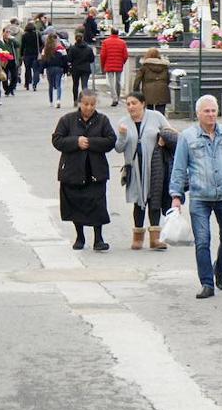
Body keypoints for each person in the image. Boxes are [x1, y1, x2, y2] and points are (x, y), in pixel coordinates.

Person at [170, 95, 222, 300]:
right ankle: (207, 283)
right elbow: (179, 167)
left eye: (213, 110)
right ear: (198, 113)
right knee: (202, 241)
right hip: (200, 196)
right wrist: (176, 195)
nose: (210, 114)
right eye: (206, 111)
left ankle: (219, 270)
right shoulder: (187, 136)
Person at [51, 89, 117, 251]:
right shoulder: (67, 120)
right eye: (86, 104)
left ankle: (98, 238)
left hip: (95, 171)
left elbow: (110, 141)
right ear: (80, 103)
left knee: (97, 204)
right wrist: (75, 142)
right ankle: (79, 237)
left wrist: (90, 142)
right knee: (76, 204)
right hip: (73, 170)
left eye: (92, 104)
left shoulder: (102, 120)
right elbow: (57, 140)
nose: (88, 108)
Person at [113, 92, 177, 251]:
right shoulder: (124, 123)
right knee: (138, 201)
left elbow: (173, 134)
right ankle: (138, 238)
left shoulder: (156, 117)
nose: (130, 107)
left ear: (143, 104)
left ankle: (155, 239)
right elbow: (119, 148)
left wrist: (164, 138)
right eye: (128, 104)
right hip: (134, 168)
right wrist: (122, 135)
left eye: (134, 103)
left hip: (155, 165)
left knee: (154, 198)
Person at [133, 47, 171, 114]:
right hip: (162, 89)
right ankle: (160, 123)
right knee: (161, 110)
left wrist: (136, 91)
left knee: (149, 110)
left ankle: (150, 123)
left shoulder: (144, 66)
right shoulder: (164, 66)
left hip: (148, 90)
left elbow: (137, 79)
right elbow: (168, 79)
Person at [99, 28, 129, 106]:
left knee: (111, 82)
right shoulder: (122, 42)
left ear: (111, 33)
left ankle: (114, 98)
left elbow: (103, 55)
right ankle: (118, 97)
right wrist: (123, 62)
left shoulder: (105, 42)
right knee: (118, 82)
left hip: (109, 64)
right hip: (119, 63)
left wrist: (103, 65)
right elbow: (125, 55)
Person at [42, 34, 70, 108]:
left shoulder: (45, 49)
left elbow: (43, 60)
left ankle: (51, 101)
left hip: (49, 68)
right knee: (58, 85)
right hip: (59, 68)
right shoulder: (61, 48)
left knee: (50, 85)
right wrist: (65, 70)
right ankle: (58, 100)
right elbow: (65, 60)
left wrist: (42, 70)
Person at [67, 32, 95, 102]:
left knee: (75, 85)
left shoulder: (72, 49)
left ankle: (75, 100)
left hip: (75, 69)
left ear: (75, 39)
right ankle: (85, 99)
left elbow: (69, 59)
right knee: (84, 85)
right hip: (86, 68)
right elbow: (92, 59)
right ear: (83, 39)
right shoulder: (88, 49)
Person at [20, 21, 42, 92]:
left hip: (27, 54)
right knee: (35, 70)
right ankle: (34, 84)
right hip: (35, 54)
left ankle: (27, 84)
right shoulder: (37, 34)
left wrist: (21, 54)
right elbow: (41, 44)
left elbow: (22, 46)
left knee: (27, 70)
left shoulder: (24, 35)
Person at [1, 26, 21, 96]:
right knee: (4, 76)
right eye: (6, 32)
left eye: (9, 32)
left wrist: (13, 39)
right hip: (4, 61)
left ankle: (10, 89)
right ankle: (6, 89)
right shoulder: (1, 41)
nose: (8, 33)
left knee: (15, 76)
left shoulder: (12, 41)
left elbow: (18, 45)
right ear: (3, 33)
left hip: (12, 60)